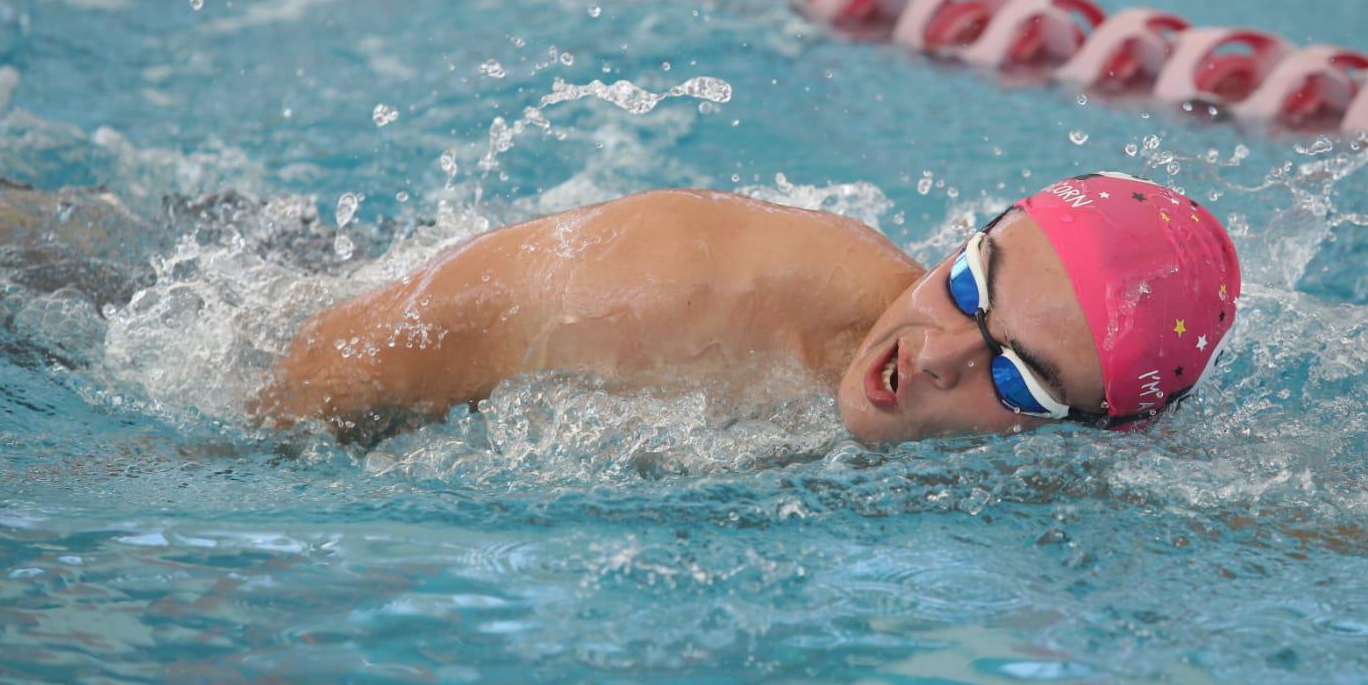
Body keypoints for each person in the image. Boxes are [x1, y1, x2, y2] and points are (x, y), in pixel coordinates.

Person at [254, 171, 1241, 444]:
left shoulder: (1076, 454)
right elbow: (325, 366)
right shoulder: (679, 295)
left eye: (1017, 378)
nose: (936, 352)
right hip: (271, 289)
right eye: (969, 283)